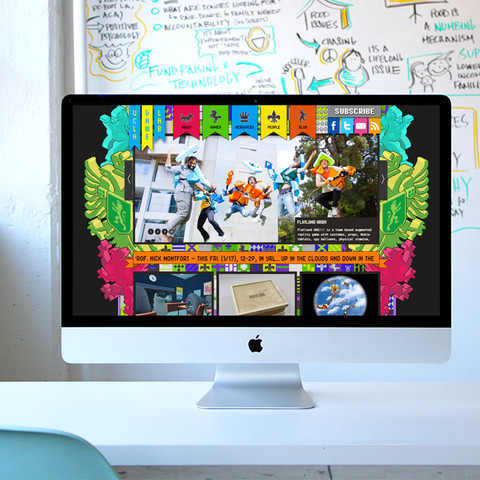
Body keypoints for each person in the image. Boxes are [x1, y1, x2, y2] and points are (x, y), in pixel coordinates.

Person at [161, 147, 209, 243]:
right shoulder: (182, 168)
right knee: (182, 213)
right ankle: (164, 231)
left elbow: (194, 184)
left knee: (186, 217)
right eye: (190, 163)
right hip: (182, 192)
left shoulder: (193, 172)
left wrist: (204, 190)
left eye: (194, 163)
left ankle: (171, 236)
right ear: (187, 162)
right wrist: (169, 153)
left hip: (189, 194)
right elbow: (168, 167)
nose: (192, 165)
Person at [278, 150, 317, 217]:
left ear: (296, 164)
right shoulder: (285, 170)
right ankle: (293, 205)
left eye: (296, 161)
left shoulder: (295, 171)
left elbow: (304, 168)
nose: (294, 162)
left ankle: (300, 205)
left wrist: (311, 157)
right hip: (280, 194)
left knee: (293, 213)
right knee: (279, 214)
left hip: (287, 194)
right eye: (295, 160)